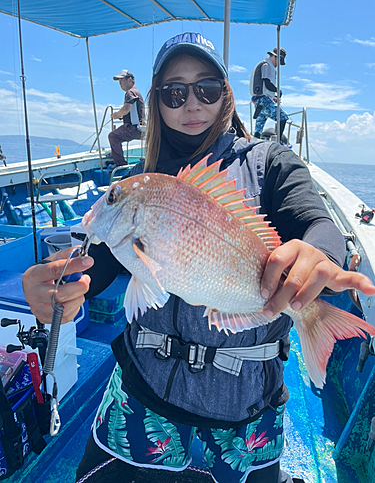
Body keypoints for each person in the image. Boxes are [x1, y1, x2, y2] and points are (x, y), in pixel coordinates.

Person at [23, 32, 375, 483]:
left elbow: (315, 222)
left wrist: (320, 253)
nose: (191, 104)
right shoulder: (140, 182)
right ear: (157, 101)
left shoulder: (270, 163)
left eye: (206, 88)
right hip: (143, 396)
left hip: (245, 410)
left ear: (225, 96)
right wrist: (63, 294)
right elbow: (99, 269)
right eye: (174, 92)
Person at [249, 47, 289, 140]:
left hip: (258, 100)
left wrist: (273, 96)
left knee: (259, 126)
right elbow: (267, 83)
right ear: (275, 57)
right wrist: (278, 90)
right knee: (282, 117)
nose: (278, 64)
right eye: (279, 61)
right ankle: (278, 140)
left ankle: (255, 142)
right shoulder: (266, 65)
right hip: (263, 100)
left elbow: (265, 86)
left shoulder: (265, 65)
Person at [108, 69, 145, 167]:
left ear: (130, 80)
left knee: (113, 136)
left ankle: (120, 164)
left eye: (122, 80)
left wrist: (116, 115)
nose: (120, 83)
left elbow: (126, 109)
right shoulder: (137, 92)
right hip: (141, 128)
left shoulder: (130, 92)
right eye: (119, 81)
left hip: (133, 128)